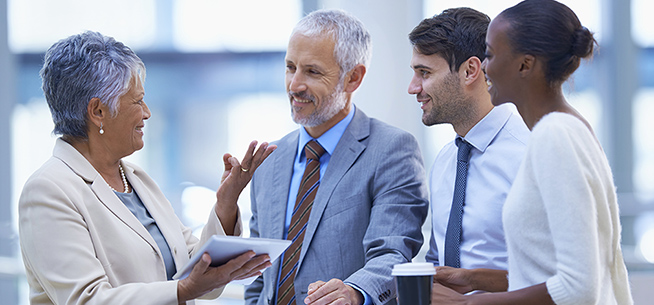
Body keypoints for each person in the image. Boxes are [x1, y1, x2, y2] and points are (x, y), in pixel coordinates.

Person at [18, 31, 277, 305]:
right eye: (137, 101)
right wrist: (182, 290)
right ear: (97, 112)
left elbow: (194, 269)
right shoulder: (48, 191)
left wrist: (226, 203)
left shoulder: (136, 179)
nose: (147, 112)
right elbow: (87, 300)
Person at [433, 0, 634, 304]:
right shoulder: (569, 128)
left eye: (489, 55)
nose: (484, 67)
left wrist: (466, 303)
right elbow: (550, 271)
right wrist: (472, 278)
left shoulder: (555, 136)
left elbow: (578, 287)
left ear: (525, 65)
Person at [244, 9, 429, 305]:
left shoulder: (391, 150)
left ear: (353, 78)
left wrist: (355, 291)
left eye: (312, 71)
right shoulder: (269, 160)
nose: (294, 85)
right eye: (291, 67)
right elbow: (257, 276)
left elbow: (393, 253)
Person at [407, 7, 528, 297]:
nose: (413, 88)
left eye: (424, 73)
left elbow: (563, 279)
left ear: (470, 70)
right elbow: (439, 262)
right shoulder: (446, 160)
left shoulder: (530, 155)